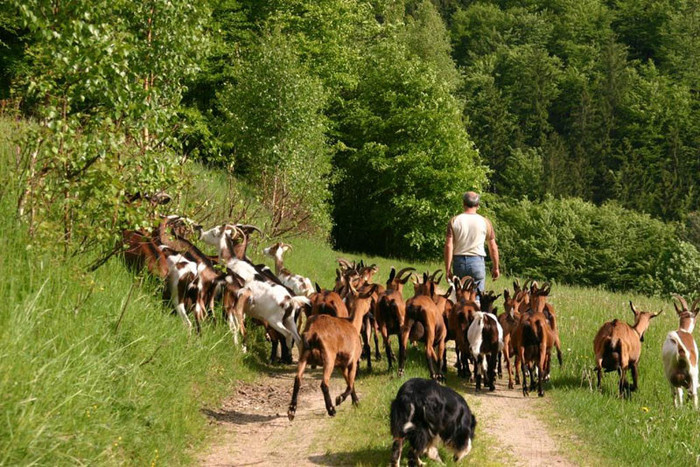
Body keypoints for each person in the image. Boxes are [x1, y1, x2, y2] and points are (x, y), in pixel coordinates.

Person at [444, 191, 500, 293]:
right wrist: (495, 267)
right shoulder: (485, 222)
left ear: (463, 203)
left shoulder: (454, 221)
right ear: (477, 205)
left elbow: (449, 246)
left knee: (460, 297)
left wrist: (447, 270)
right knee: (478, 297)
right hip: (477, 262)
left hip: (459, 262)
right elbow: (493, 247)